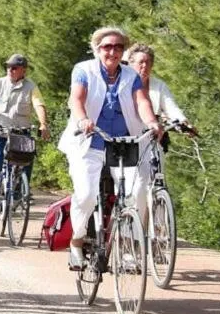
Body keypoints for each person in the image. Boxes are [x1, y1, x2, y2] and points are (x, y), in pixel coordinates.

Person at [57, 27, 163, 270]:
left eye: (118, 47)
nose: (113, 51)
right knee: (86, 195)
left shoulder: (131, 75)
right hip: (90, 142)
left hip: (123, 144)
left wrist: (151, 122)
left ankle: (127, 247)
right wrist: (83, 120)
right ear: (97, 49)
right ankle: (77, 241)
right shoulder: (84, 70)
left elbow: (141, 100)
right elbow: (76, 99)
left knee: (136, 191)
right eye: (107, 47)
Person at [0, 54, 51, 220]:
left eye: (14, 67)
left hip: (20, 132)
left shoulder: (31, 87)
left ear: (23, 70)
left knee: (27, 161)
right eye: (8, 66)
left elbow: (39, 105)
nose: (10, 69)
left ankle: (19, 194)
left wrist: (43, 124)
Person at [125, 44, 196, 133]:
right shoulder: (123, 84)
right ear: (131, 64)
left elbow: (170, 107)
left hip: (153, 133)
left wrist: (183, 122)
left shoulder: (159, 85)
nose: (145, 66)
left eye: (148, 62)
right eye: (141, 62)